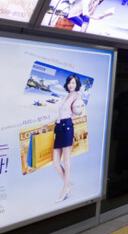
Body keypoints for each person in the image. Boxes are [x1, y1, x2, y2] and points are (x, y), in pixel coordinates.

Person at [49, 74, 85, 203]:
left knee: (66, 161)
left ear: (77, 85)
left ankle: (64, 189)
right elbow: (60, 114)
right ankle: (69, 184)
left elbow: (78, 110)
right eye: (69, 82)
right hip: (59, 126)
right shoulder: (65, 96)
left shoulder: (77, 96)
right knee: (55, 163)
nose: (71, 85)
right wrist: (48, 123)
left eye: (74, 83)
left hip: (68, 127)